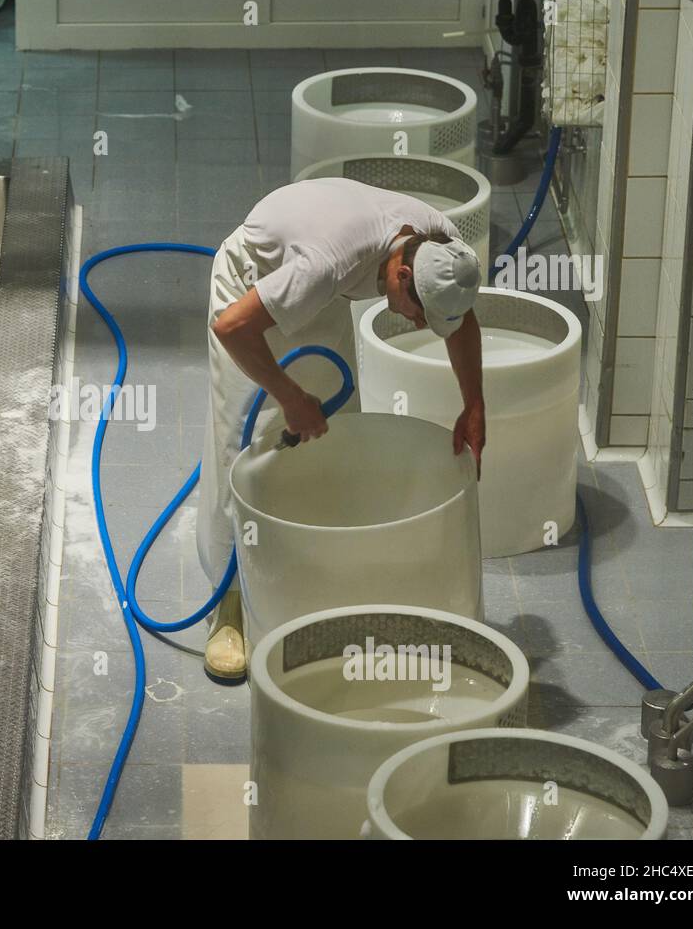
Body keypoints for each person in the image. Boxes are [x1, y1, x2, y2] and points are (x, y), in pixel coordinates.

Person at [196, 177, 485, 681]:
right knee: (245, 444)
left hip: (320, 293)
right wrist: (288, 397)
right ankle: (230, 605)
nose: (422, 326)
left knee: (333, 427)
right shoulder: (329, 263)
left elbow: (460, 318)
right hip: (251, 286)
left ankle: (317, 570)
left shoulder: (441, 247)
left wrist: (475, 402)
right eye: (421, 315)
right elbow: (233, 328)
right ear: (398, 277)